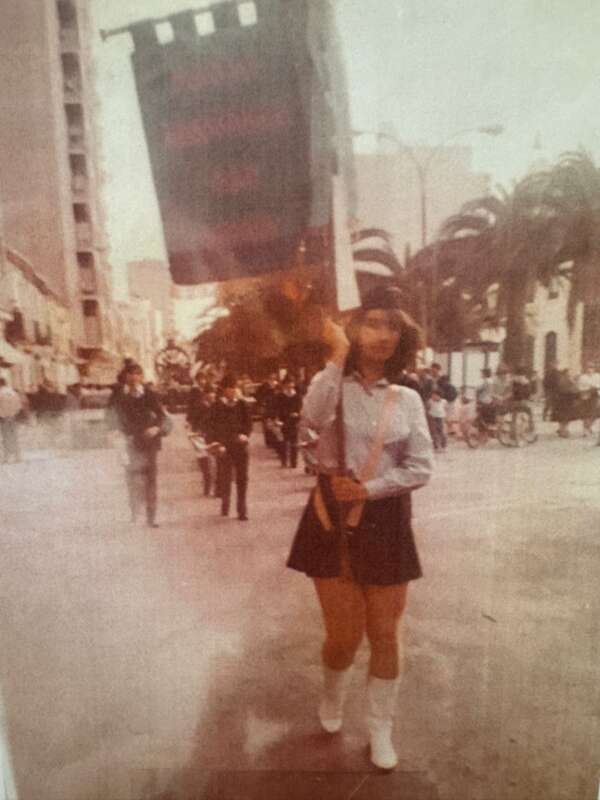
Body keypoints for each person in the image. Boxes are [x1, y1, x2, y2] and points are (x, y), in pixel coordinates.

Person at [287, 286, 434, 771]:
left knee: (386, 634)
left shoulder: (408, 398)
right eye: (373, 323)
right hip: (331, 518)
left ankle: (380, 729)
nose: (383, 334)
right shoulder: (330, 384)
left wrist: (369, 490)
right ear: (354, 329)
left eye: (392, 325)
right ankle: (332, 694)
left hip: (386, 519)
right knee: (344, 637)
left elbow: (421, 466)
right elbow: (309, 426)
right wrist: (336, 356)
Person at [113, 363, 169, 527]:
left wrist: (156, 428)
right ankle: (134, 513)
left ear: (141, 377)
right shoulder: (119, 396)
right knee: (132, 478)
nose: (133, 377)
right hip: (129, 442)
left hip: (149, 441)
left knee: (150, 478)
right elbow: (111, 417)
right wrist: (115, 432)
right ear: (125, 377)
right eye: (130, 374)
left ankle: (151, 517)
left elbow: (161, 416)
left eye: (137, 374)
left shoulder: (149, 394)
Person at [206, 373, 252, 520]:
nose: (233, 391)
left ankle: (242, 509)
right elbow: (210, 427)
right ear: (224, 390)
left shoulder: (242, 405)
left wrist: (245, 434)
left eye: (235, 388)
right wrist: (216, 444)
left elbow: (248, 424)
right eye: (230, 388)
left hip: (240, 445)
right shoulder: (217, 406)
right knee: (225, 478)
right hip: (224, 447)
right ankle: (225, 504)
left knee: (242, 478)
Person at [276, 375, 302, 467]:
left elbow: (300, 408)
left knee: (294, 442)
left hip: (294, 421)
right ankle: (284, 460)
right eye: (288, 384)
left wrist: (298, 414)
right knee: (283, 442)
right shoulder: (280, 396)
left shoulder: (297, 396)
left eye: (291, 383)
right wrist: (277, 420)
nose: (290, 386)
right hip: (283, 421)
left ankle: (293, 462)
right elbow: (277, 409)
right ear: (284, 385)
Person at [0, 378, 23, 463]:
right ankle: (17, 456)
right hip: (13, 417)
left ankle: (7, 457)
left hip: (3, 418)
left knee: (5, 437)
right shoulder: (13, 392)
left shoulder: (0, 393)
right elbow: (19, 405)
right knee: (14, 436)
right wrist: (14, 413)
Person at [577, 364, 599, 437]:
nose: (590, 370)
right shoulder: (582, 377)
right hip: (585, 396)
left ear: (594, 369)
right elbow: (579, 387)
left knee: (594, 413)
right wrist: (587, 388)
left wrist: (595, 387)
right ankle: (585, 430)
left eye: (592, 368)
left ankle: (589, 426)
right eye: (588, 368)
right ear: (586, 369)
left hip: (595, 396)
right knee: (586, 413)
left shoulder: (597, 376)